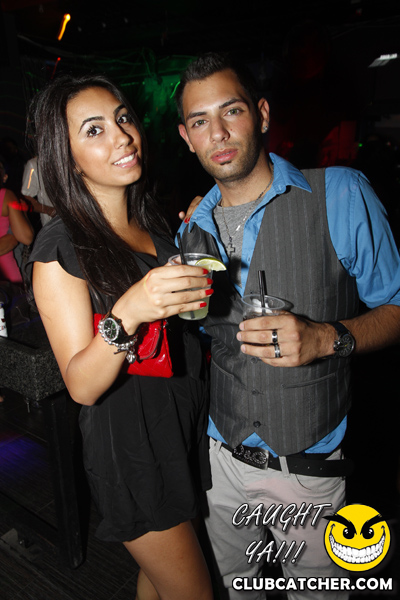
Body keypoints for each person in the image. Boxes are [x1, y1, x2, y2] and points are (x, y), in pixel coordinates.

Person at [175, 52, 400, 600]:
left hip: (307, 470)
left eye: (231, 111)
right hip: (219, 464)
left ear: (262, 114)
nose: (218, 133)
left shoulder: (341, 193)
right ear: (186, 138)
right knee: (233, 591)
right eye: (200, 121)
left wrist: (327, 337)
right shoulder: (190, 230)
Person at [27, 74, 214, 600]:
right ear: (67, 158)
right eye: (94, 130)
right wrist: (128, 311)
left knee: (159, 578)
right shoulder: (59, 251)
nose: (122, 136)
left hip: (179, 419)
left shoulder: (152, 223)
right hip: (131, 445)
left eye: (123, 118)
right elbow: (81, 385)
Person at [0, 156, 34, 283]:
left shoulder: (6, 196)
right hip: (8, 277)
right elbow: (26, 237)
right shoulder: (6, 195)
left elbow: (25, 237)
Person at [21, 156, 56, 227]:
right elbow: (25, 198)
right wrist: (50, 210)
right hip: (54, 225)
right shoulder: (34, 165)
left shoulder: (70, 159)